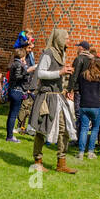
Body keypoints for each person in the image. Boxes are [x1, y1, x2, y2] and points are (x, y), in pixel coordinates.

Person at [30, 28, 76, 174]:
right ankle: (37, 161)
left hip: (59, 96)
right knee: (42, 130)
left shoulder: (62, 53)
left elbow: (58, 75)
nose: (68, 41)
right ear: (59, 39)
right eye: (66, 38)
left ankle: (61, 163)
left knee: (64, 129)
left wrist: (65, 73)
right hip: (47, 97)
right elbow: (41, 73)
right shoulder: (48, 53)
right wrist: (60, 72)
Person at [76, 48, 100, 159]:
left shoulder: (83, 75)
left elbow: (80, 89)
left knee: (84, 128)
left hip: (84, 104)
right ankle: (91, 152)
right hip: (95, 105)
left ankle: (81, 152)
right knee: (95, 128)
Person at [4, 44, 30, 142]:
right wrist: (27, 71)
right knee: (13, 115)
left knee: (11, 114)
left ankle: (9, 135)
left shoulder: (14, 63)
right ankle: (10, 136)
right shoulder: (19, 64)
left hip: (12, 90)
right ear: (22, 56)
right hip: (17, 91)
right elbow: (18, 76)